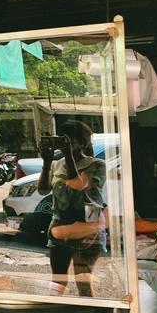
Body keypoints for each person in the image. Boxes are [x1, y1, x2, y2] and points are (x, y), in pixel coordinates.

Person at [37, 120, 108, 296]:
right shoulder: (56, 164)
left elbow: (78, 184)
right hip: (61, 225)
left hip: (87, 230)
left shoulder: (97, 165)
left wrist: (68, 154)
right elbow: (43, 189)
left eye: (70, 139)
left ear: (83, 143)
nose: (65, 142)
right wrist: (46, 162)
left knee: (83, 281)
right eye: (63, 138)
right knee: (58, 280)